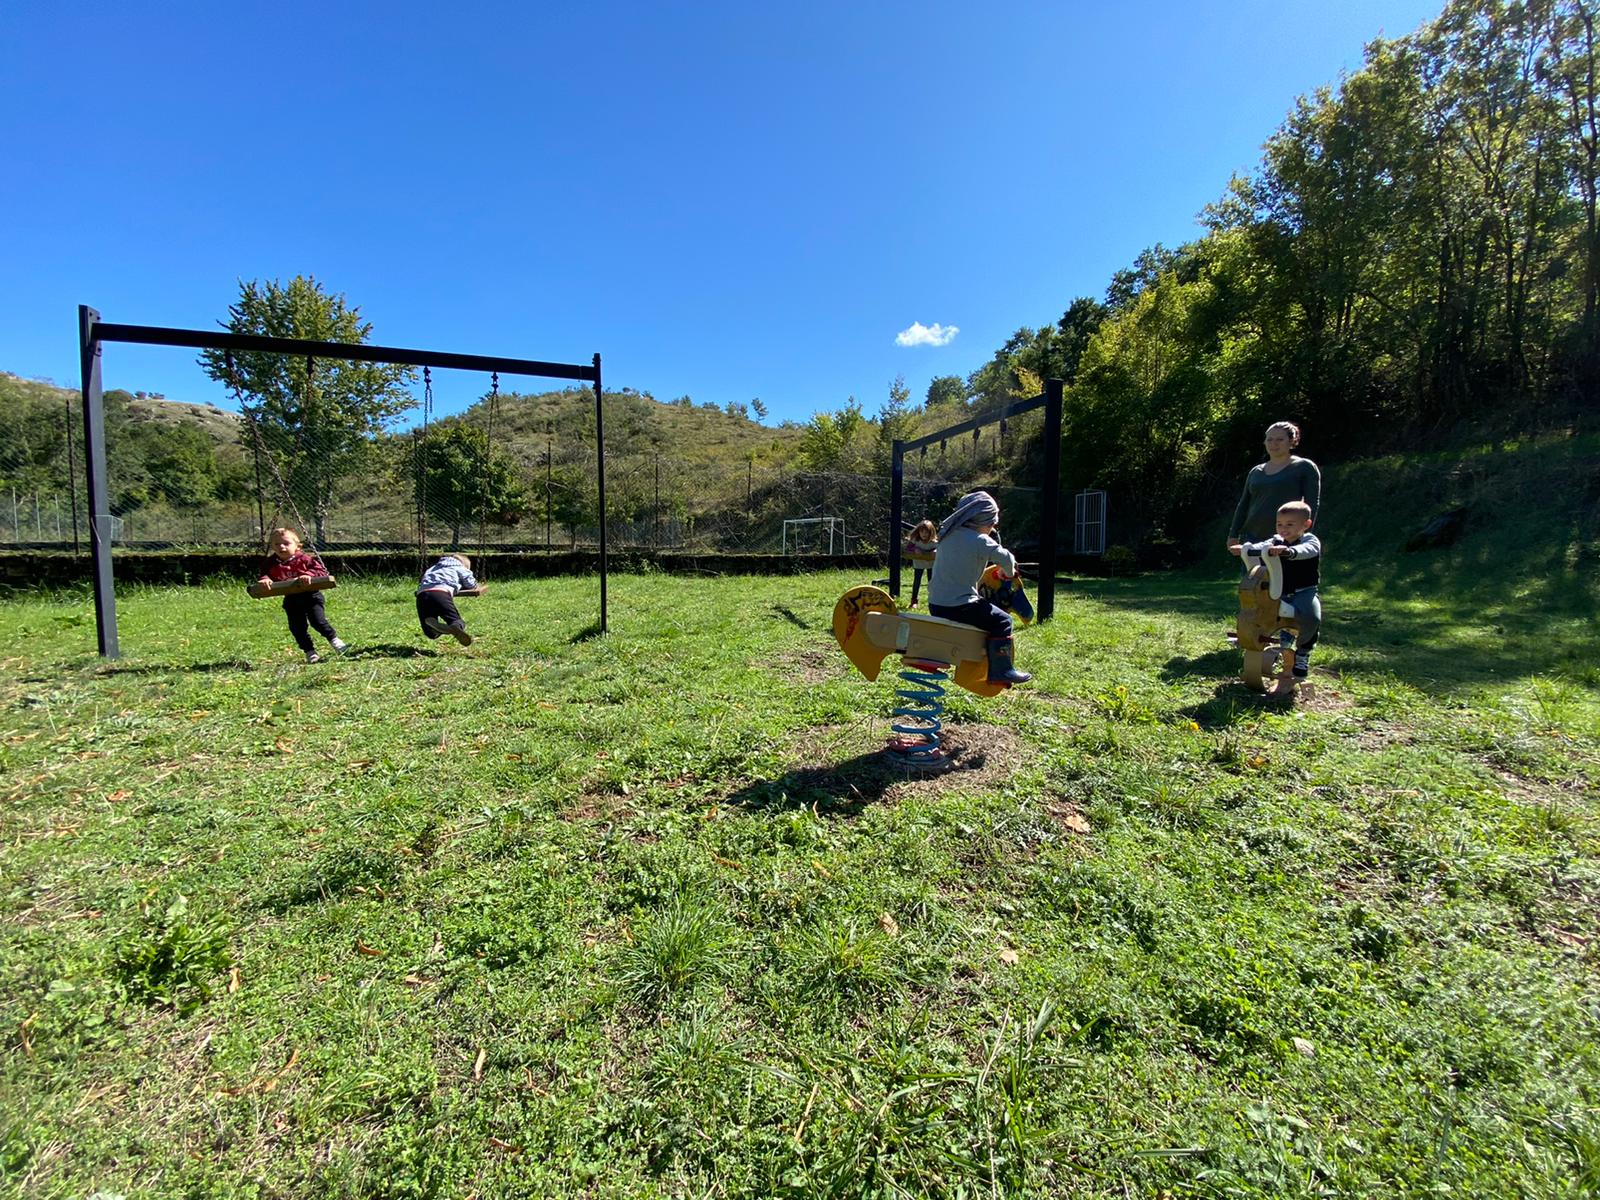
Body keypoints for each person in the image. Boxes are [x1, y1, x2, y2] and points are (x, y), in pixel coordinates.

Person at [927, 490, 1031, 685]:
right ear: (983, 522)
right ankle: (1002, 671)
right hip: (960, 606)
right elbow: (1007, 558)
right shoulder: (979, 540)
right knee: (1003, 620)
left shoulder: (947, 536)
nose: (992, 529)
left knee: (982, 612)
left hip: (936, 604)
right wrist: (1008, 573)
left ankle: (976, 656)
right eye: (992, 524)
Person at [1230, 500, 1321, 678]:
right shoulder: (1276, 540)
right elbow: (1262, 546)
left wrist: (1290, 551)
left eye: (1289, 524)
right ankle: (1275, 643)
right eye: (1279, 524)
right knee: (1263, 612)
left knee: (1311, 617)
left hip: (1304, 591)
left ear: (1306, 524)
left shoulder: (1310, 540)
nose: (1283, 529)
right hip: (1280, 591)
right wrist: (1246, 549)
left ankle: (1303, 653)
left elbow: (1308, 550)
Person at [1227, 420, 1321, 552]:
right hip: (1252, 538)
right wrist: (1233, 535)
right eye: (1269, 439)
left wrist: (1303, 538)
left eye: (1280, 439)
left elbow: (1312, 504)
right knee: (1253, 567)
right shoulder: (1256, 471)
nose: (1274, 443)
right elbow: (1243, 505)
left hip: (1287, 539)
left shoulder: (1304, 467)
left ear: (1292, 441)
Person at [256, 527, 347, 663]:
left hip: (311, 596)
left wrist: (308, 574)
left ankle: (335, 641)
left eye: (286, 543)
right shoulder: (271, 563)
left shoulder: (304, 559)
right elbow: (265, 574)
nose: (281, 547)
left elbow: (321, 571)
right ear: (272, 547)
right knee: (297, 627)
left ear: (297, 546)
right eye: (277, 544)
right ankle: (310, 652)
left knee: (318, 621)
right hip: (291, 598)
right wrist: (265, 580)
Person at [416, 553, 487, 646]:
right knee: (456, 621)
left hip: (422, 595)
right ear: (463, 565)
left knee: (430, 632)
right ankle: (454, 628)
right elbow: (470, 584)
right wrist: (474, 584)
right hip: (441, 594)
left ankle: (433, 627)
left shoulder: (433, 568)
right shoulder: (460, 567)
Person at [903, 519, 938, 608]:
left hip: (931, 564)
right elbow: (908, 548)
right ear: (918, 532)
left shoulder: (934, 542)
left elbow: (940, 548)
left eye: (926, 532)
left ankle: (932, 600)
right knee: (917, 581)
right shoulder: (915, 540)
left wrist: (935, 551)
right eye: (922, 532)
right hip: (919, 563)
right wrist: (914, 549)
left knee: (931, 582)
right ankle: (914, 601)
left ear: (931, 532)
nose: (924, 534)